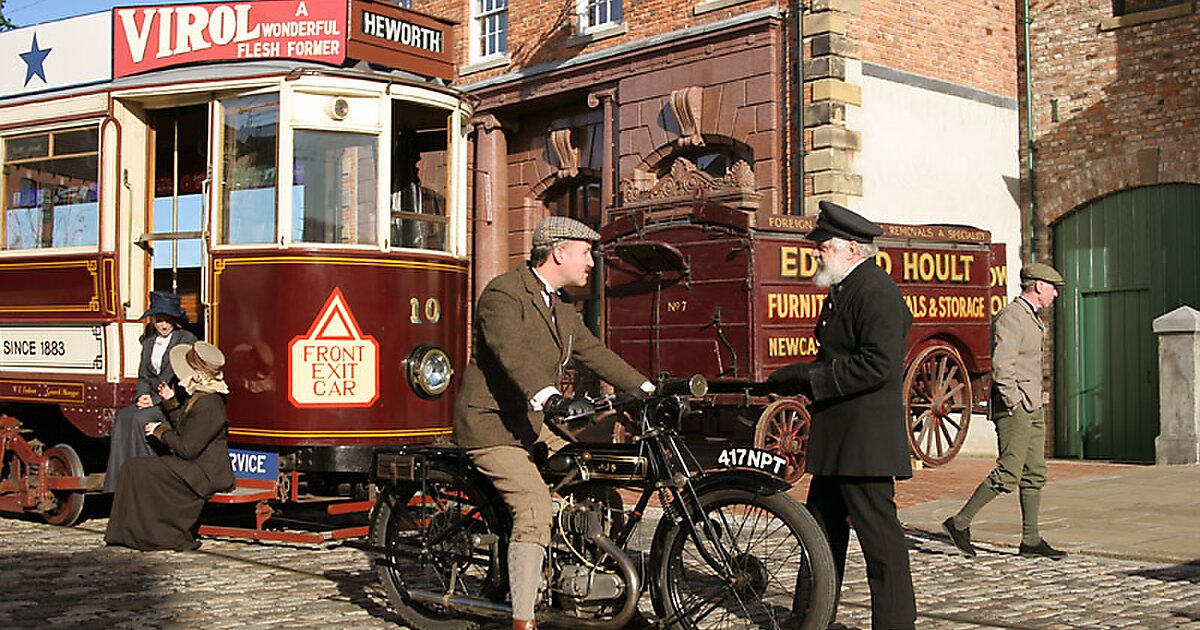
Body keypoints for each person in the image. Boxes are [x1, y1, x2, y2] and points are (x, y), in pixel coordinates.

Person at [453, 216, 653, 630]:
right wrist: (550, 398)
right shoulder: (504, 294)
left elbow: (593, 353)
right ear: (559, 252)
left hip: (530, 423)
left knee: (597, 478)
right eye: (586, 254)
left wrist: (647, 389)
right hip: (492, 424)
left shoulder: (561, 306)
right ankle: (523, 620)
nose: (592, 264)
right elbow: (512, 353)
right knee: (533, 507)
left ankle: (588, 592)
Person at [767, 201, 917, 630]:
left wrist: (811, 377)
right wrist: (802, 379)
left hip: (864, 443)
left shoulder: (876, 291)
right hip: (838, 439)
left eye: (824, 247)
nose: (816, 253)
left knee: (881, 543)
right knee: (819, 535)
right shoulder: (846, 290)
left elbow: (879, 365)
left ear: (853, 249)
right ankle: (810, 618)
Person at [942, 262, 1068, 560]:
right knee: (1009, 472)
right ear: (1037, 286)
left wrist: (1035, 400)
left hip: (1032, 404)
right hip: (1016, 408)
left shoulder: (1033, 319)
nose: (1055, 295)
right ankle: (959, 523)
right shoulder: (1012, 317)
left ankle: (1031, 539)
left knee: (1035, 471)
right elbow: (1002, 367)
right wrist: (1014, 401)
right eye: (1052, 288)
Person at [104, 341, 235, 551]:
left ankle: (153, 533)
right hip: (195, 466)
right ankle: (129, 531)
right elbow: (186, 428)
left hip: (206, 473)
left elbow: (186, 447)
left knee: (138, 468)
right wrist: (171, 402)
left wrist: (159, 431)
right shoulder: (199, 399)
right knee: (134, 467)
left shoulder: (209, 405)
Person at [103, 291, 197, 493]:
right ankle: (119, 481)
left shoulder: (186, 339)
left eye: (167, 320)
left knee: (140, 419)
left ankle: (143, 480)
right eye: (159, 320)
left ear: (175, 320)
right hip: (152, 400)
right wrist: (143, 395)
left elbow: (181, 379)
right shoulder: (148, 343)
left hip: (173, 403)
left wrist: (154, 401)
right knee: (123, 417)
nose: (163, 325)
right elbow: (143, 376)